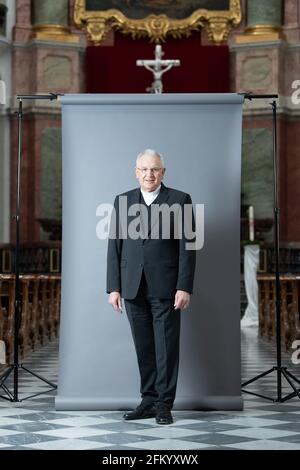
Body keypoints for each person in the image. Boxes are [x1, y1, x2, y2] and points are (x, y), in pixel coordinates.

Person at [106, 149, 196, 425]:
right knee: (144, 347)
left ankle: (164, 405)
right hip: (132, 287)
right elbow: (115, 247)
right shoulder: (122, 201)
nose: (149, 174)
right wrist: (114, 287)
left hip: (167, 288)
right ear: (136, 172)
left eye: (155, 169)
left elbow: (187, 248)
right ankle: (148, 400)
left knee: (166, 347)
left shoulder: (180, 200)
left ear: (163, 173)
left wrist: (184, 287)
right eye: (144, 169)